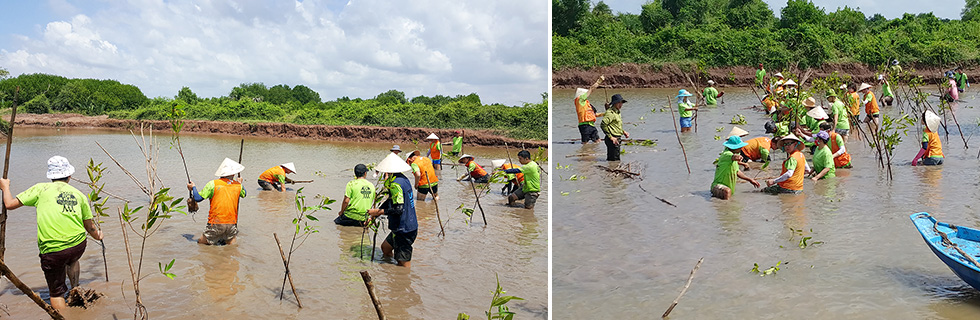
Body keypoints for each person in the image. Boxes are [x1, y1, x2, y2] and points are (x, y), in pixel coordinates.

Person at [0, 156, 103, 309]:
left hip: (53, 250)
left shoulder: (40, 189)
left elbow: (9, 204)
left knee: (55, 293)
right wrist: (99, 235)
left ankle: (63, 315)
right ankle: (74, 287)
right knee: (72, 259)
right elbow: (90, 227)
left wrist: (5, 187)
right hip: (78, 245)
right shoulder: (79, 195)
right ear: (69, 176)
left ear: (51, 176)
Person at [367, 153, 418, 268]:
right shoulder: (401, 179)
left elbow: (398, 209)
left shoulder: (396, 184)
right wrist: (374, 215)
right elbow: (391, 201)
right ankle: (392, 271)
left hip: (404, 229)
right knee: (385, 248)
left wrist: (378, 212)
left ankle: (403, 280)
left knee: (403, 263)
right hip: (403, 225)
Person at [188, 158, 246, 245]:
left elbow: (197, 198)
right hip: (232, 223)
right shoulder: (238, 186)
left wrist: (193, 187)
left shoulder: (213, 184)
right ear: (233, 173)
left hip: (216, 222)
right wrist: (240, 183)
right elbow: (244, 194)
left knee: (201, 243)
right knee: (231, 244)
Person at [574, 76, 605, 144]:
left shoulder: (587, 104)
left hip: (591, 125)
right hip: (584, 125)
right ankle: (585, 153)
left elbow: (594, 115)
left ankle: (591, 153)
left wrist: (605, 113)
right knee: (585, 143)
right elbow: (591, 89)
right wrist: (598, 82)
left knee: (598, 141)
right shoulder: (580, 100)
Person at [600, 94, 629, 160]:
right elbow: (603, 124)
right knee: (614, 160)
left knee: (614, 159)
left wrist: (623, 132)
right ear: (614, 103)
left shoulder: (617, 112)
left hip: (617, 137)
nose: (620, 105)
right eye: (619, 103)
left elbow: (615, 125)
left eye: (621, 103)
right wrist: (611, 137)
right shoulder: (610, 113)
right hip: (612, 139)